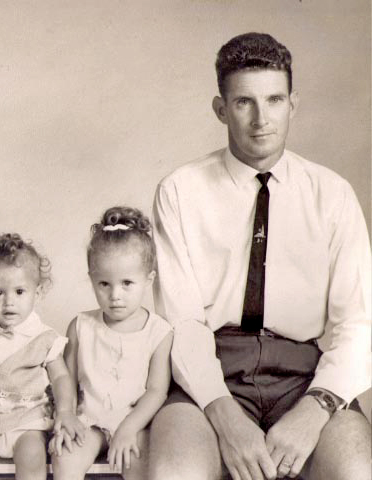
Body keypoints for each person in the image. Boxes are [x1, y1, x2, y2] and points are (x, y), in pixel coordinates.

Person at [149, 32, 371, 480]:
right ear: (220, 109)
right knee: (176, 474)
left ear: (293, 104)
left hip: (305, 378)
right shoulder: (180, 190)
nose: (261, 119)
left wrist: (317, 408)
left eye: (274, 100)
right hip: (208, 376)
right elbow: (183, 322)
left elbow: (357, 322)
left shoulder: (333, 194)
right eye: (243, 102)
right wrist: (224, 415)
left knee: (355, 472)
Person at [0, 233, 84, 480]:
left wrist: (64, 411)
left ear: (37, 293)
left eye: (20, 291)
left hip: (25, 423)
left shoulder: (44, 338)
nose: (9, 301)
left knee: (32, 453)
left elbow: (62, 377)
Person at [50, 206, 173, 480]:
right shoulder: (81, 325)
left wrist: (129, 428)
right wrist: (66, 414)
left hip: (135, 424)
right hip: (88, 422)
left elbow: (156, 392)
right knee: (65, 456)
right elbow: (65, 379)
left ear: (148, 280)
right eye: (104, 284)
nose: (115, 295)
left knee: (139, 463)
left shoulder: (159, 331)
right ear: (92, 280)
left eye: (127, 283)